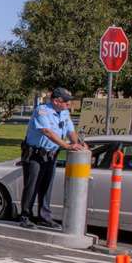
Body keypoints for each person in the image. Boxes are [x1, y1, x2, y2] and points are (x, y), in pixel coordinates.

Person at [19, 87, 87, 229]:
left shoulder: (64, 113)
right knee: (32, 186)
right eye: (66, 102)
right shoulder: (42, 111)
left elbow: (70, 131)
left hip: (51, 155)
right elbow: (47, 131)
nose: (68, 104)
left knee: (46, 186)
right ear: (56, 101)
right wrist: (67, 146)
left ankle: (44, 217)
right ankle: (26, 217)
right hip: (36, 155)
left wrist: (77, 144)